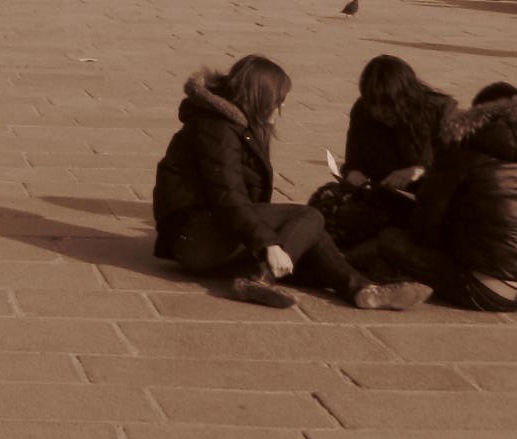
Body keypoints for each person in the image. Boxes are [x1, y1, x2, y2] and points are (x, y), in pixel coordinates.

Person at [152, 56, 430, 311]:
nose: (281, 107)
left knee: (312, 245)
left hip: (211, 234)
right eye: (278, 99)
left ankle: (364, 292)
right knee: (309, 216)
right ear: (259, 98)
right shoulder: (218, 129)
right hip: (195, 237)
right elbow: (228, 197)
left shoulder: (235, 125)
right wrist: (268, 243)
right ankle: (259, 278)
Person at [352, 84, 517, 312]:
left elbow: (424, 225)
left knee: (391, 239)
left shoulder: (463, 152)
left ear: (476, 115)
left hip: (485, 289)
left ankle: (383, 276)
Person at [311, 54, 456, 251]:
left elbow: (456, 168)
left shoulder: (440, 111)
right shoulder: (363, 111)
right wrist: (354, 174)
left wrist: (420, 171)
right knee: (322, 204)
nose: (379, 112)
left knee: (361, 224)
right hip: (379, 193)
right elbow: (354, 160)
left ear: (406, 97)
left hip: (422, 201)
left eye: (387, 105)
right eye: (374, 105)